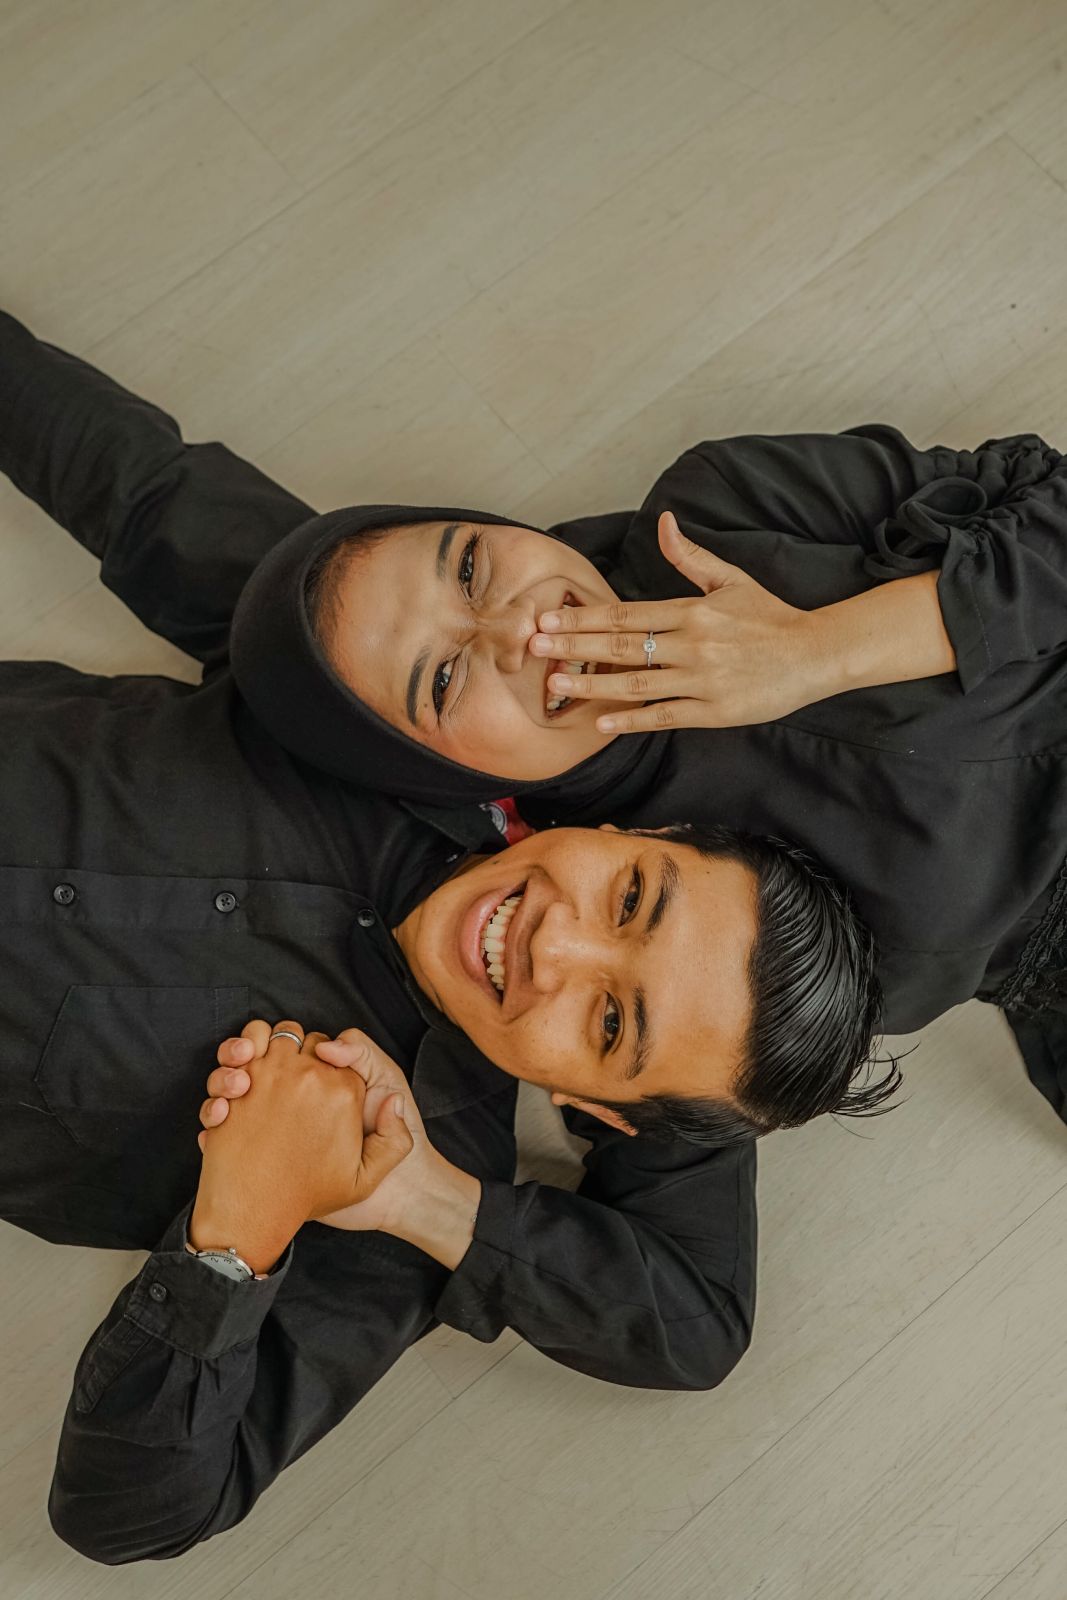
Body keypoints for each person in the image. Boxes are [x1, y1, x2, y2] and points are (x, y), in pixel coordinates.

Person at [0, 309, 884, 1563]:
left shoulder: (380, 1191)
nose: (555, 946)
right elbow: (145, 490)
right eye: (630, 898)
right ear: (631, 832)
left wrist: (234, 1235)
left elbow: (130, 1514)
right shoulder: (393, 716)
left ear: (603, 1111)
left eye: (609, 1020)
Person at [226, 418, 1067, 1079]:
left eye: (472, 567)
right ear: (430, 770)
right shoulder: (568, 911)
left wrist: (819, 652)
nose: (519, 630)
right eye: (443, 680)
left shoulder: (716, 511)